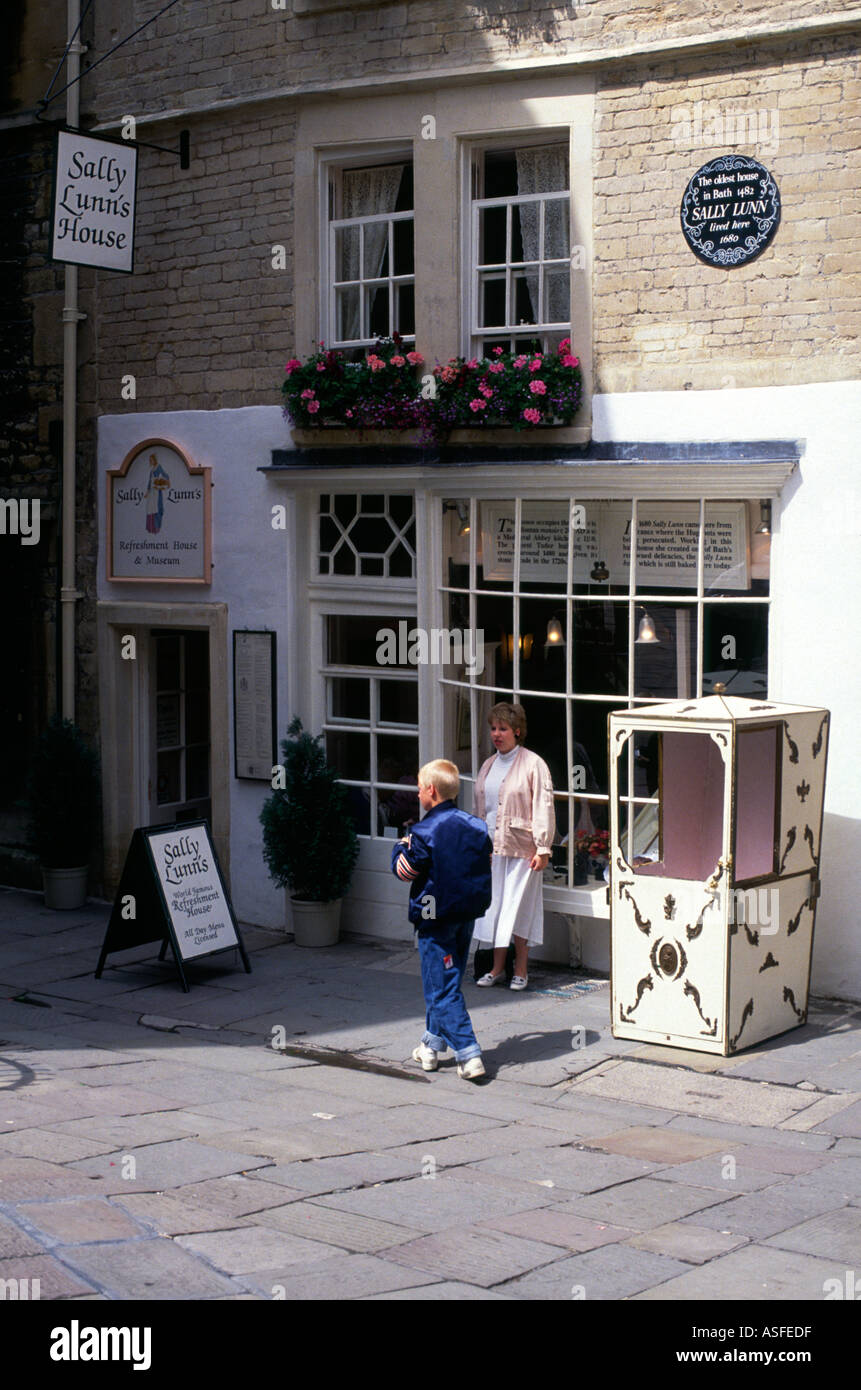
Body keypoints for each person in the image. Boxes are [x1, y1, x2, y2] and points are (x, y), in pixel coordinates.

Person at [391, 758, 492, 1081]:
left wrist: (399, 847)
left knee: (442, 989)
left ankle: (469, 1052)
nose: (418, 794)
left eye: (420, 789)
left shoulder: (422, 832)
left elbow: (404, 872)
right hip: (466, 913)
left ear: (430, 791)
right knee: (447, 981)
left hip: (434, 918)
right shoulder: (476, 826)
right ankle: (431, 1046)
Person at [473, 701, 555, 991]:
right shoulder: (488, 764)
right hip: (493, 848)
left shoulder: (534, 764)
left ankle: (520, 969)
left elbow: (543, 805)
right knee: (494, 907)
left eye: (503, 729)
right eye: (493, 728)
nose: (497, 734)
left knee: (519, 908)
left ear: (517, 731)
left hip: (523, 849)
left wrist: (543, 847)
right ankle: (496, 968)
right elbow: (481, 808)